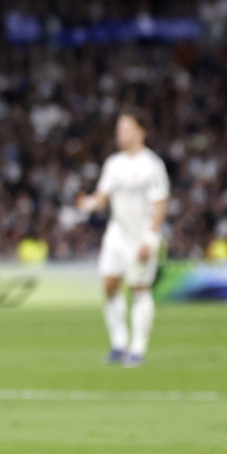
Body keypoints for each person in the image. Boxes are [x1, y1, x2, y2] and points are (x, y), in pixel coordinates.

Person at [76, 109, 170, 367]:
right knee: (109, 285)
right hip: (117, 232)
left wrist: (150, 239)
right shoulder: (113, 164)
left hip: (141, 234)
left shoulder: (151, 165)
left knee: (140, 288)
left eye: (126, 128)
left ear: (141, 132)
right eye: (119, 128)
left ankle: (137, 349)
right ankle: (119, 343)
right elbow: (102, 198)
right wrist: (88, 204)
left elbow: (160, 205)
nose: (120, 133)